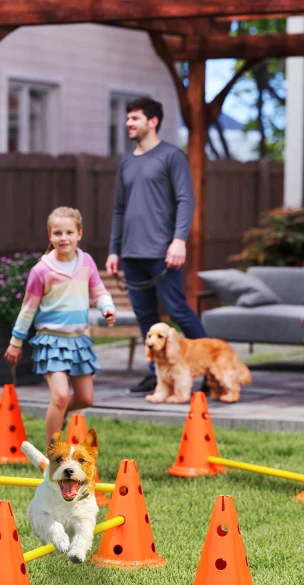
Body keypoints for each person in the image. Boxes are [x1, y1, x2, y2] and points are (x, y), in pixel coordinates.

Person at [105, 96, 208, 396]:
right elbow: (119, 209)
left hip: (164, 253)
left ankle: (210, 370)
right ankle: (157, 375)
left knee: (178, 310)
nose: (128, 123)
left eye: (134, 118)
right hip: (131, 254)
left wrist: (179, 240)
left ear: (153, 122)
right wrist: (114, 249)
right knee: (146, 318)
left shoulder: (172, 156)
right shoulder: (126, 162)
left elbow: (185, 200)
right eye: (128, 118)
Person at [4, 207, 116, 444]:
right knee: (61, 397)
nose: (63, 238)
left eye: (69, 232)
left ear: (79, 234)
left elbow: (99, 292)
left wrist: (107, 307)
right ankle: (52, 453)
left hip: (79, 341)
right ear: (50, 235)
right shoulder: (41, 271)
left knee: (85, 399)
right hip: (51, 341)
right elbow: (28, 309)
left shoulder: (87, 262)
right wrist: (16, 342)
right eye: (57, 233)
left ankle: (60, 414)